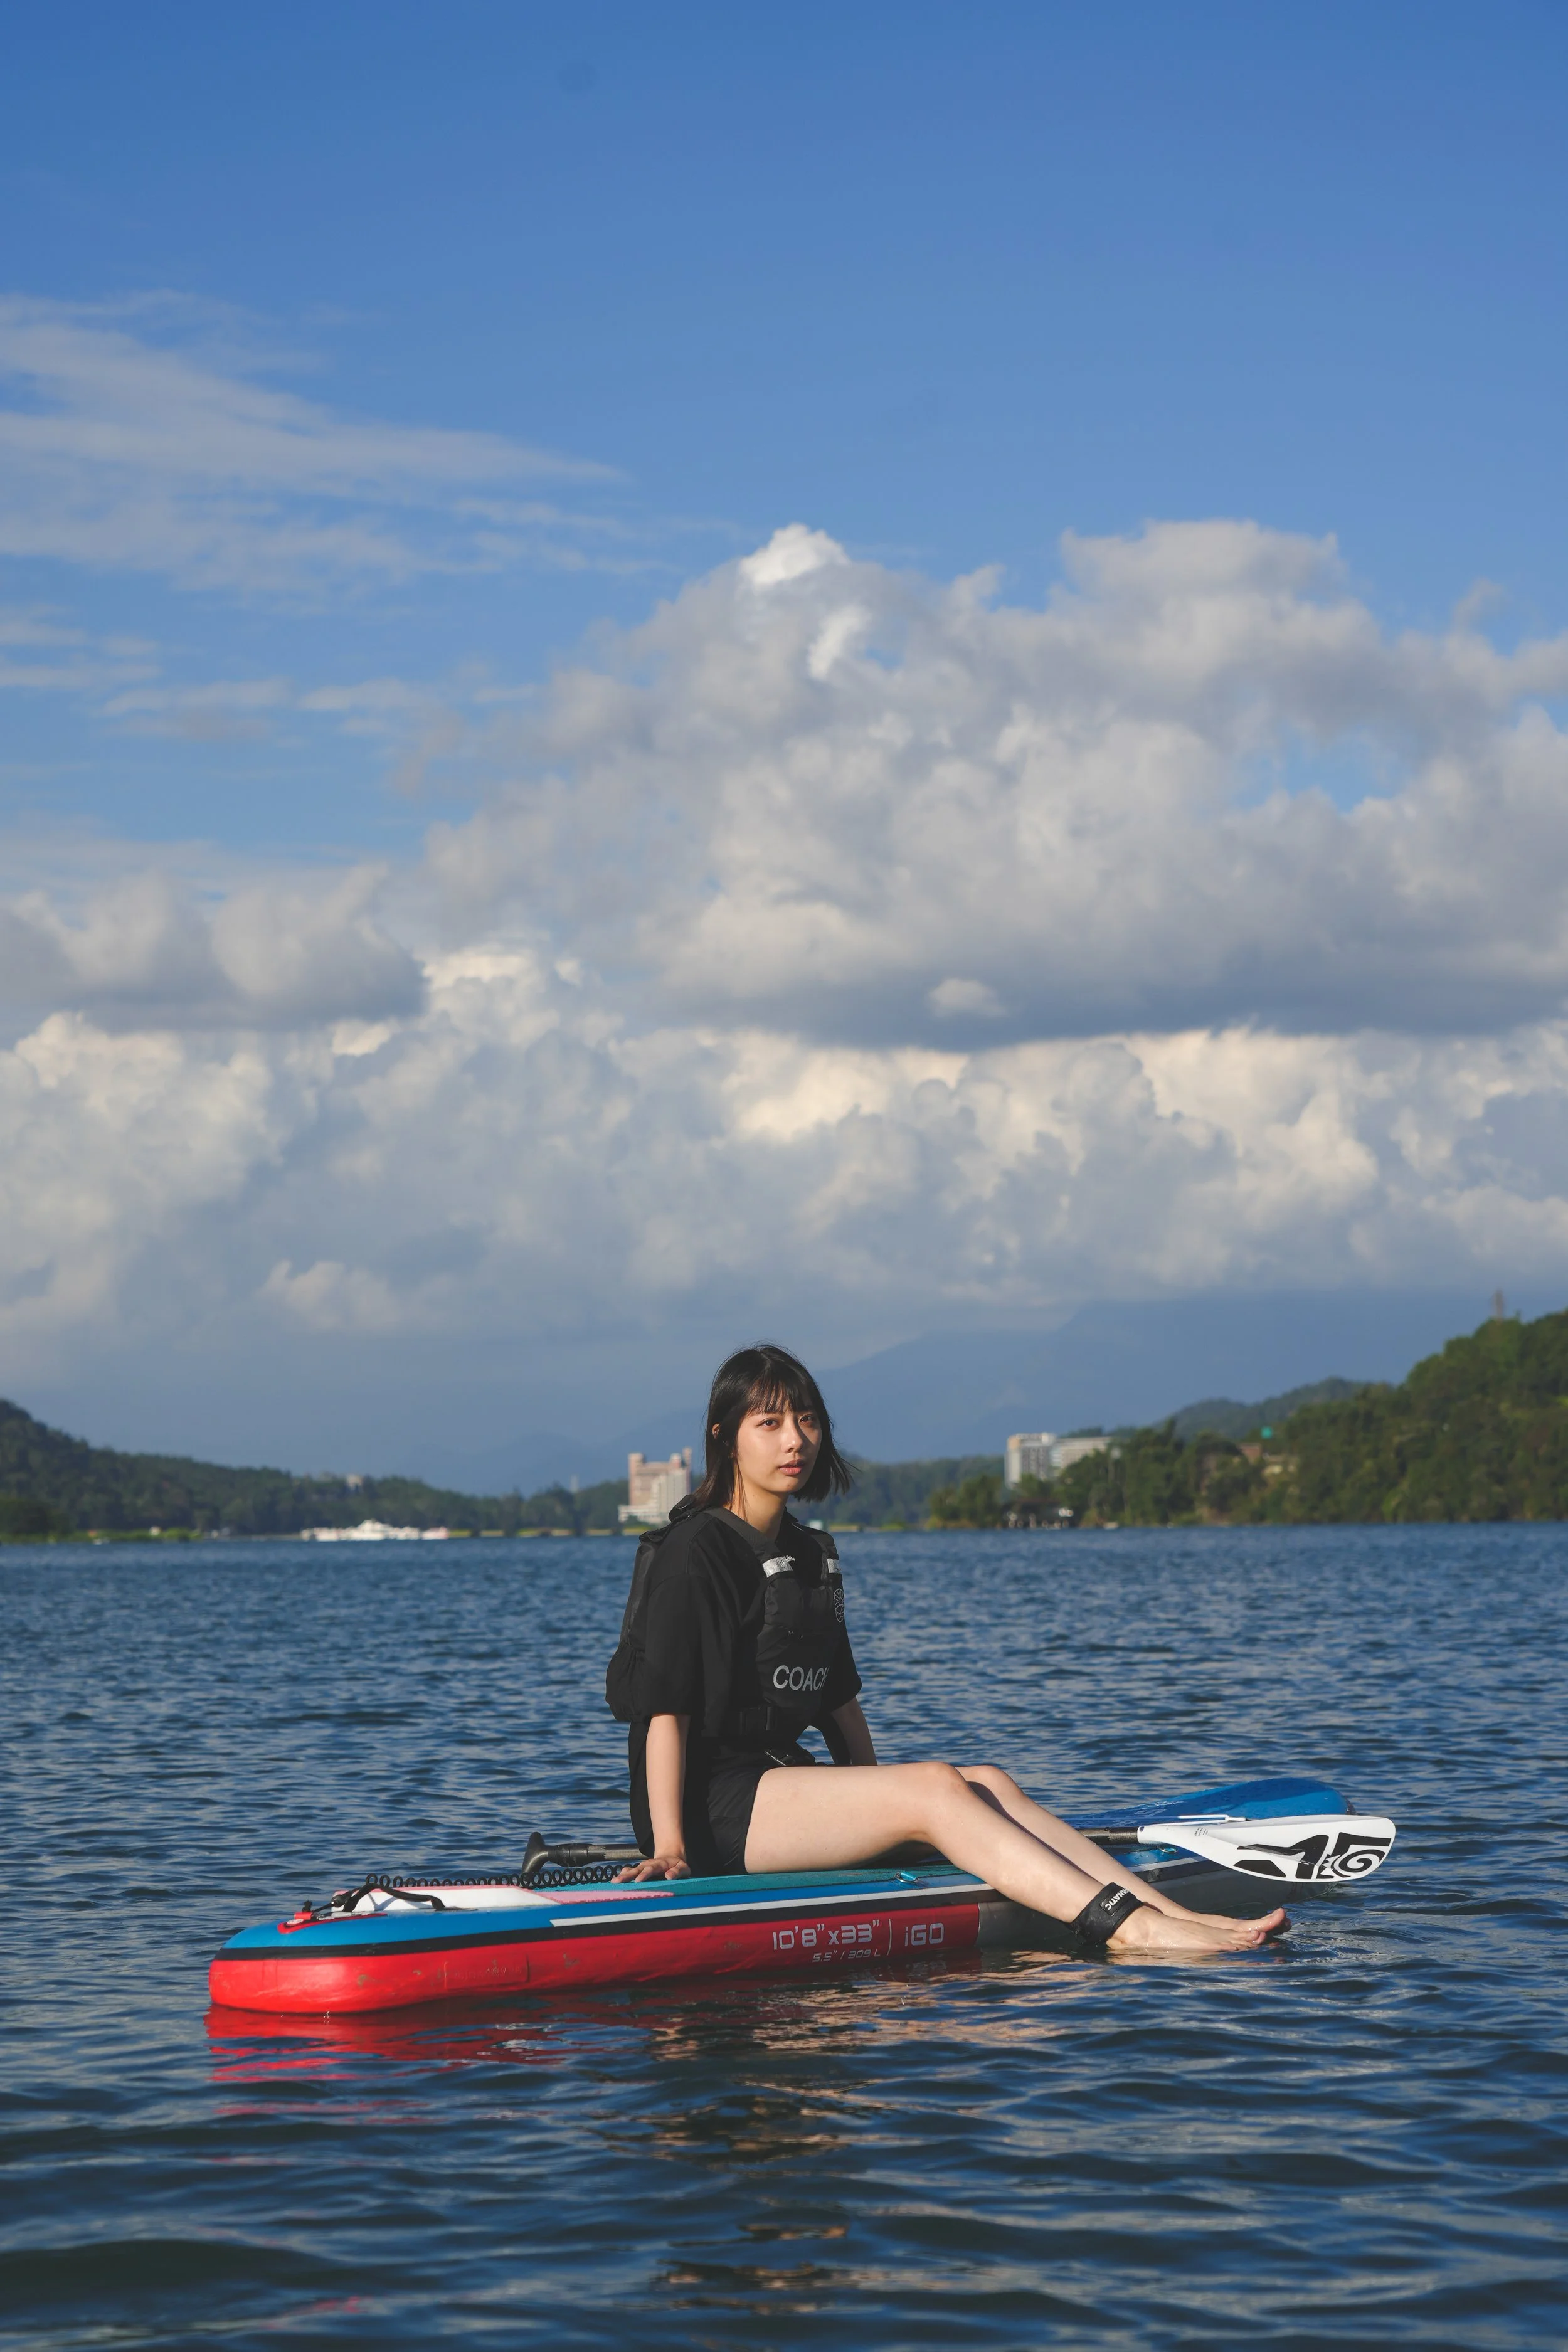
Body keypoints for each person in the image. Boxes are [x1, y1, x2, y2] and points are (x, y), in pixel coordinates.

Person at [607, 1343, 1288, 1957]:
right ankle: (1130, 1931)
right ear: (724, 1438)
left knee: (986, 1782)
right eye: (770, 1423)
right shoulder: (696, 1552)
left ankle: (1172, 1913)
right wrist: (670, 1848)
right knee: (934, 1787)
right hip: (705, 1808)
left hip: (779, 1789)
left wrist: (875, 1818)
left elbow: (841, 1708)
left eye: (807, 1421)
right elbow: (666, 1711)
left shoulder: (806, 1553)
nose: (796, 1440)